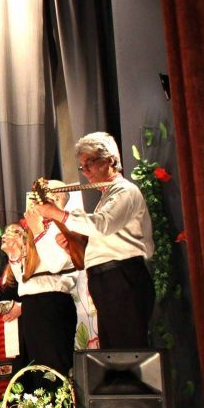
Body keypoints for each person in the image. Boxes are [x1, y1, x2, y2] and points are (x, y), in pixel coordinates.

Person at [34, 132, 154, 349]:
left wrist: (58, 213)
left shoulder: (125, 191)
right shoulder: (106, 196)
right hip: (108, 279)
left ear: (110, 161)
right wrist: (75, 242)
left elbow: (103, 224)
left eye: (89, 163)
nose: (86, 171)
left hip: (122, 276)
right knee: (112, 352)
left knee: (127, 350)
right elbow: (105, 237)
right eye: (82, 167)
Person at [3, 186, 79, 393]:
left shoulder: (64, 227)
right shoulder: (35, 232)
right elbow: (24, 280)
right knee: (34, 367)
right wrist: (14, 255)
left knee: (54, 365)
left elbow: (56, 264)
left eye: (50, 199)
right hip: (32, 305)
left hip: (52, 303)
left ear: (59, 200)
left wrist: (38, 231)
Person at [0, 224, 23, 399]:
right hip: (1, 325)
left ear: (21, 238)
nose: (4, 236)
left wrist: (22, 307)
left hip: (18, 324)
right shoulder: (3, 267)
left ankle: (15, 407)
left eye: (10, 232)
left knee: (15, 366)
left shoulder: (25, 262)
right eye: (5, 232)